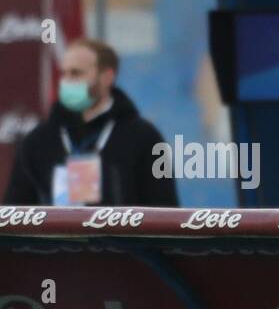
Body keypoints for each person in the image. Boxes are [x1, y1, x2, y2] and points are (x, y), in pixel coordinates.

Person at [3, 38, 177, 206]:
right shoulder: (38, 141)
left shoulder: (144, 138)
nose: (67, 81)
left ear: (107, 77)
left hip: (118, 237)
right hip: (56, 236)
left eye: (76, 73)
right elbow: (15, 213)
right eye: (64, 73)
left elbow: (164, 211)